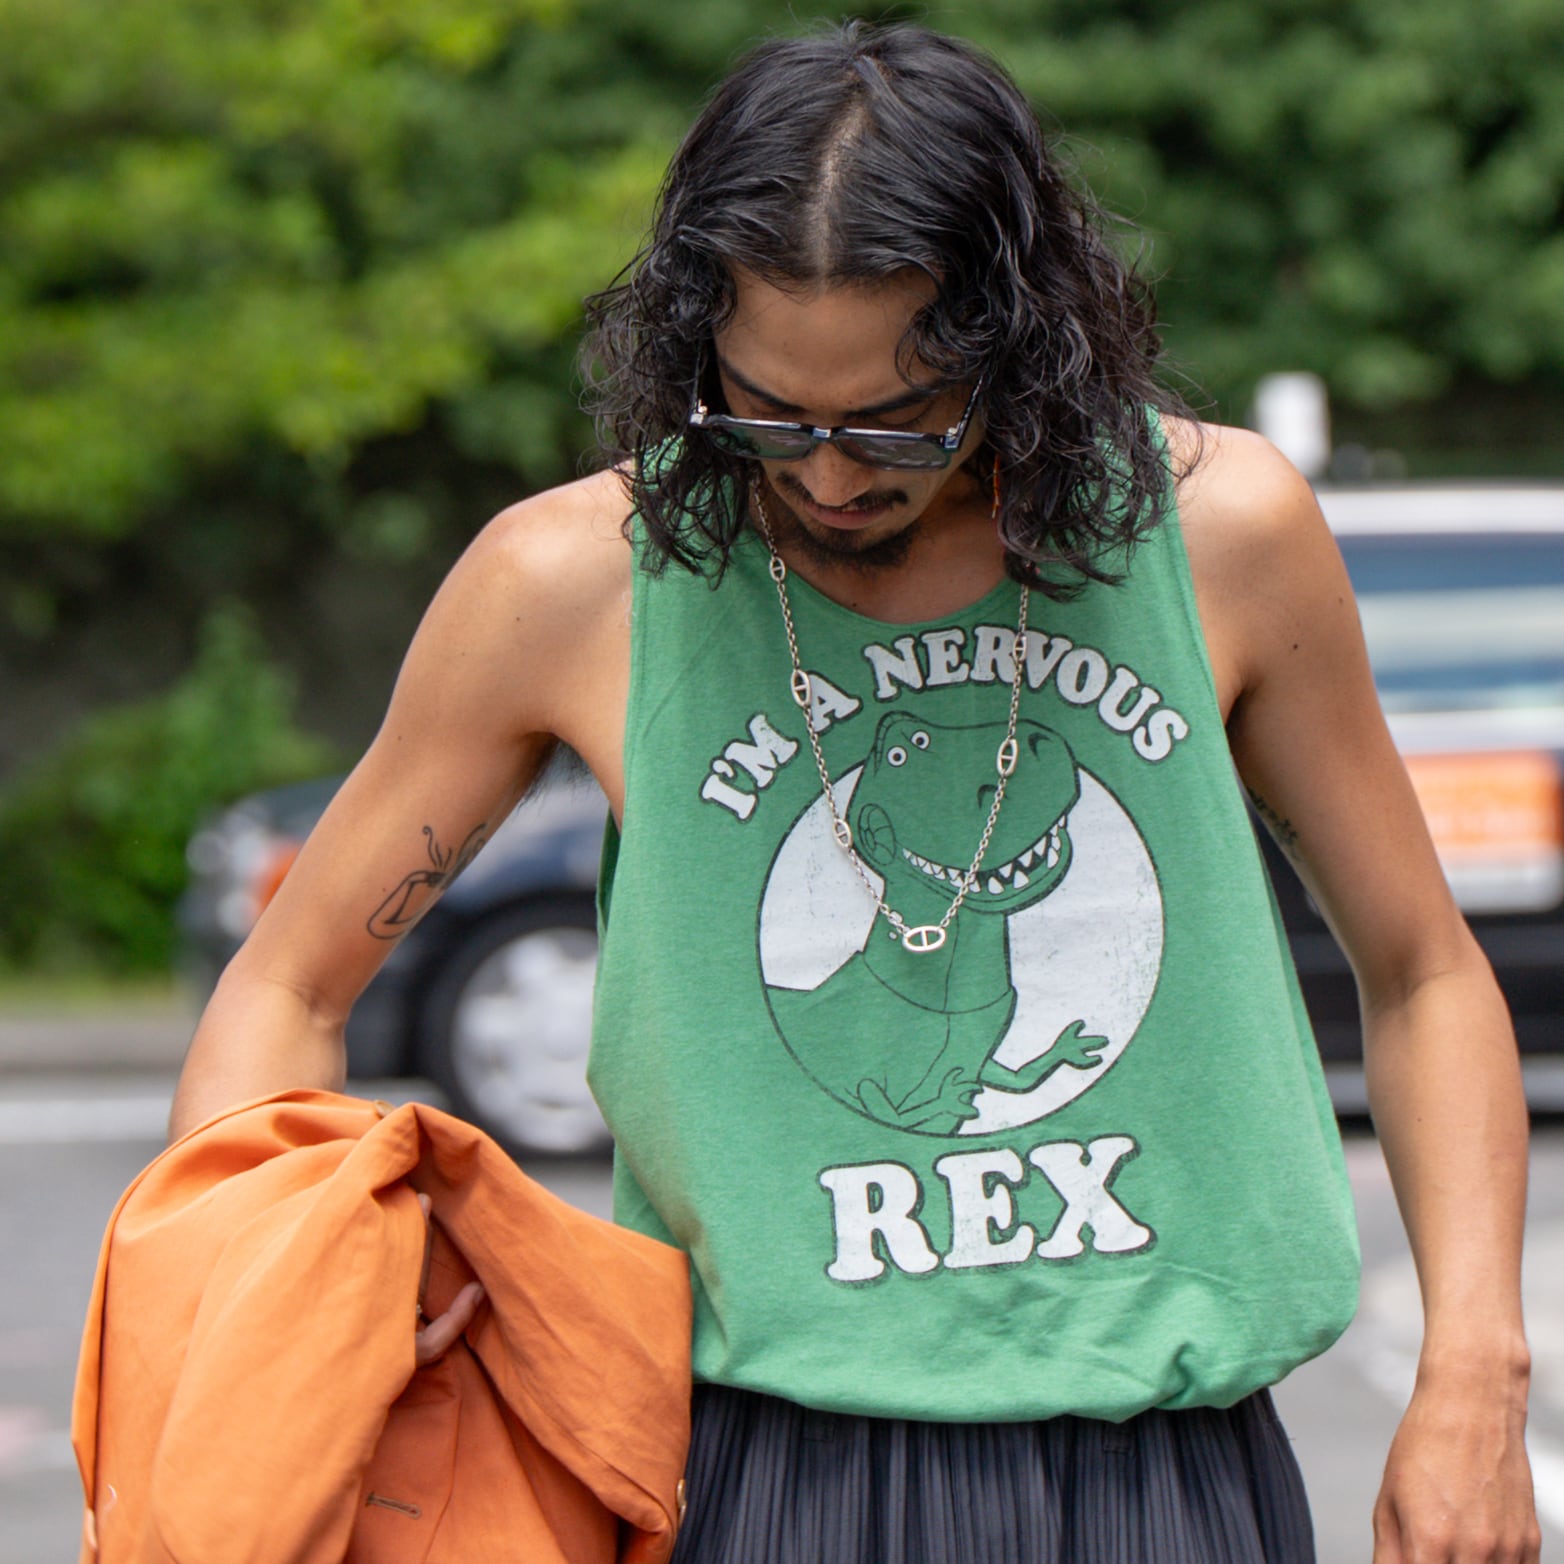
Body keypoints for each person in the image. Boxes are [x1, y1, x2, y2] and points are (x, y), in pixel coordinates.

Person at [170, 21, 1540, 1564]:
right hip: (760, 1477)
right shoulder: (567, 585)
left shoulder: (1222, 536)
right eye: (768, 412)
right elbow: (284, 990)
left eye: (900, 420)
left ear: (1022, 342)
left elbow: (1424, 975)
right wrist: (260, 1326)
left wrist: (1474, 1381)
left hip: (1167, 1477)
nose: (828, 475)